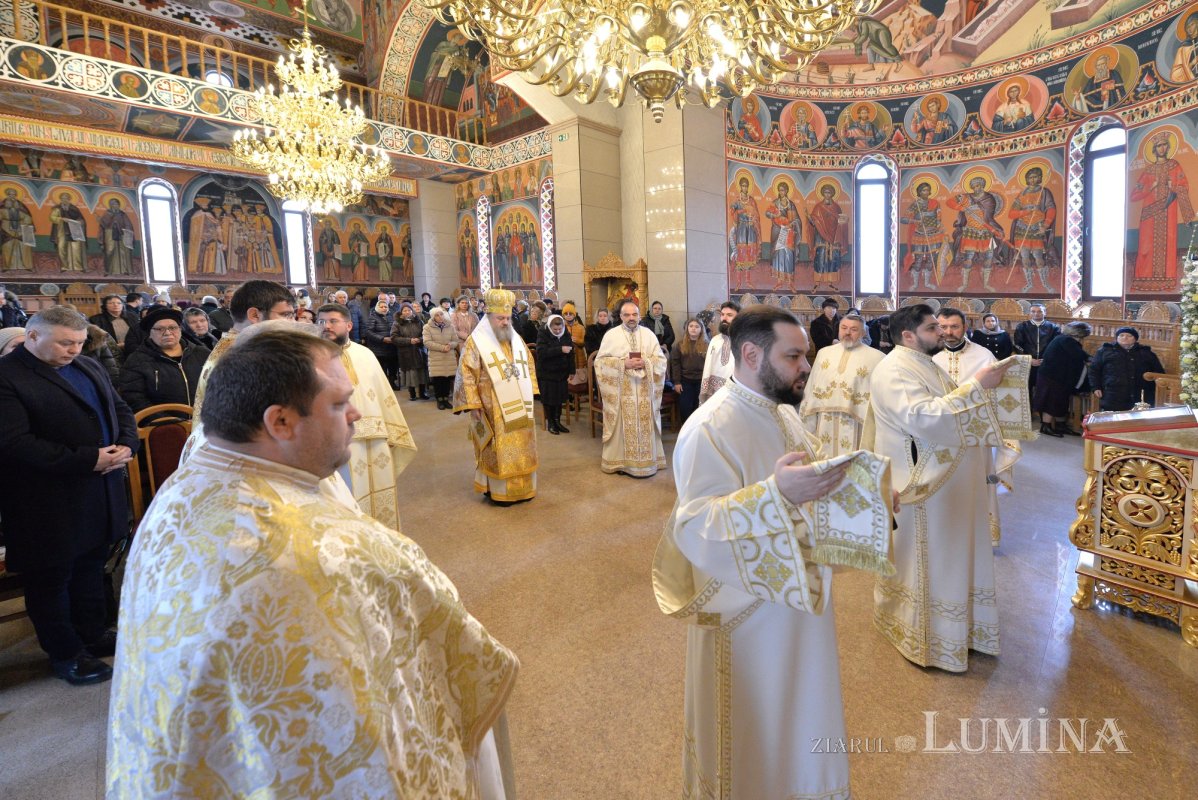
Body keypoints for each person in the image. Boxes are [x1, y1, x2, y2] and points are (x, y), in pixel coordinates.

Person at [107, 327, 518, 798]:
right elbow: (447, 674)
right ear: (280, 422)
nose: (359, 413)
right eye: (341, 404)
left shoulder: (182, 488)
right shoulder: (327, 552)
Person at [653, 305, 894, 800]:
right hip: (744, 617)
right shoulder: (709, 428)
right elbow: (694, 525)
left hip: (799, 604)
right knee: (752, 729)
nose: (806, 366)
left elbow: (812, 483)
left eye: (804, 355)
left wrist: (864, 490)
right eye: (793, 356)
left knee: (801, 708)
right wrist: (775, 495)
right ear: (750, 353)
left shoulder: (784, 411)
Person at [868, 304, 1016, 672]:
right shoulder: (893, 369)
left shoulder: (922, 362)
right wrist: (977, 386)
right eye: (933, 328)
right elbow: (923, 418)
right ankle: (927, 635)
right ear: (908, 335)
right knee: (933, 559)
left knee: (952, 554)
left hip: (948, 481)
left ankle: (961, 627)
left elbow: (946, 407)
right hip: (923, 484)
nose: (943, 333)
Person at [0, 306, 137, 685]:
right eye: (65, 342)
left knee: (91, 567)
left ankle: (91, 635)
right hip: (44, 502)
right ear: (32, 337)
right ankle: (64, 652)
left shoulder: (87, 367)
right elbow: (14, 443)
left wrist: (126, 445)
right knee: (52, 578)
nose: (74, 350)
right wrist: (88, 459)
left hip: (97, 492)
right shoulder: (8, 378)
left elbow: (120, 409)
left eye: (78, 342)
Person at [315, 304, 417, 529]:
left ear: (349, 325)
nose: (326, 327)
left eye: (333, 321)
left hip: (375, 439)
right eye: (321, 322)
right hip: (338, 443)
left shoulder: (366, 354)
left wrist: (393, 432)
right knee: (346, 497)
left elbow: (384, 395)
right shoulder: (310, 357)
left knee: (379, 492)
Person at [182, 280, 297, 461]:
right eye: (287, 315)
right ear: (254, 315)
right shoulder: (244, 356)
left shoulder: (236, 347)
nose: (293, 322)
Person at [933, 308, 1015, 547]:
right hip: (938, 432)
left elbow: (998, 395)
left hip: (975, 433)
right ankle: (942, 530)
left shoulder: (983, 355)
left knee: (976, 482)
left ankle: (979, 534)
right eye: (943, 327)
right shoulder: (929, 356)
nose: (948, 332)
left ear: (965, 327)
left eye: (954, 327)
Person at [454, 287, 539, 504]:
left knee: (522, 444)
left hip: (519, 401)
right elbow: (466, 373)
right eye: (500, 318)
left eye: (508, 318)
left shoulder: (516, 338)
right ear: (489, 316)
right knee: (496, 446)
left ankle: (523, 487)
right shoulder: (477, 341)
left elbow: (528, 363)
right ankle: (497, 490)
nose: (505, 322)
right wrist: (473, 404)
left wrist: (532, 390)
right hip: (491, 404)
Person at [595, 298, 667, 477]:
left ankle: (648, 462)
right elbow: (600, 362)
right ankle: (621, 463)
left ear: (640, 315)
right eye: (626, 315)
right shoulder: (611, 335)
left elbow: (661, 361)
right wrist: (623, 364)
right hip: (622, 392)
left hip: (644, 390)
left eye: (634, 314)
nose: (631, 318)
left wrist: (646, 362)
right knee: (621, 425)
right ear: (620, 316)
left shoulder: (649, 334)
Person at [799, 314, 884, 456]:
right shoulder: (823, 353)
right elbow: (812, 386)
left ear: (863, 333)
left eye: (854, 329)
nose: (847, 332)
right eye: (844, 328)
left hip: (857, 421)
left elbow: (880, 395)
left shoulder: (877, 357)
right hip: (825, 418)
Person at [118, 307, 210, 412]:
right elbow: (134, 398)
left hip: (205, 421)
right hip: (162, 425)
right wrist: (165, 423)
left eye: (173, 327)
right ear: (150, 333)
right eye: (160, 329)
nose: (167, 333)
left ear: (180, 329)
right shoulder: (137, 360)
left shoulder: (202, 353)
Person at [1089, 326, 1165, 411]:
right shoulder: (1105, 351)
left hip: (1141, 396)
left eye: (1129, 336)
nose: (1125, 338)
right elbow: (1094, 370)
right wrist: (1096, 387)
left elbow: (1159, 372)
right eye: (1121, 335)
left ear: (1135, 339)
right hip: (1113, 394)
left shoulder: (1146, 353)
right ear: (1117, 338)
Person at [1035, 321, 1091, 436]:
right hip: (1051, 376)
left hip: (1058, 376)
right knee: (1051, 402)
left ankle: (1061, 426)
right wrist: (1092, 359)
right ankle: (1046, 427)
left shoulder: (1064, 339)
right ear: (1079, 334)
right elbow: (1079, 355)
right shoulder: (1066, 340)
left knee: (1061, 401)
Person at [536, 314, 574, 434]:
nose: (558, 332)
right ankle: (551, 423)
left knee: (559, 398)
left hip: (561, 372)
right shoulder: (543, 333)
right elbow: (541, 353)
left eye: (560, 329)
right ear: (550, 327)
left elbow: (571, 354)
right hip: (547, 373)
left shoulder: (565, 333)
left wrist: (572, 371)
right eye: (555, 330)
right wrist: (560, 349)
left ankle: (558, 421)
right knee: (550, 399)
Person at [1013, 303, 1060, 400]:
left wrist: (1046, 360)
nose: (1036, 314)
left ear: (1044, 313)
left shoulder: (1054, 327)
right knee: (1026, 390)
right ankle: (1028, 413)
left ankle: (1042, 414)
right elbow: (1017, 345)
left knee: (1045, 390)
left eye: (1039, 311)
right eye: (1033, 311)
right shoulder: (1022, 327)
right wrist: (1030, 359)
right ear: (1029, 313)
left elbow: (1056, 347)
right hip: (1027, 364)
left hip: (1046, 364)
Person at [699, 301, 740, 404]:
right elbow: (708, 367)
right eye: (722, 314)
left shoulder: (745, 341)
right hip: (714, 394)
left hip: (736, 394)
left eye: (729, 315)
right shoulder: (715, 340)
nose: (724, 318)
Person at [669, 318, 708, 425]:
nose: (693, 329)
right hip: (685, 381)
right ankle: (686, 430)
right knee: (685, 408)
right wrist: (677, 382)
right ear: (687, 328)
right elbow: (675, 364)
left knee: (699, 407)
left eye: (697, 326)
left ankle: (697, 431)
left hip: (701, 381)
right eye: (691, 326)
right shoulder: (680, 345)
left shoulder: (707, 345)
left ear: (701, 329)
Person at [391, 303, 428, 400]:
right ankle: (412, 393)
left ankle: (422, 392)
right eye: (405, 310)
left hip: (419, 350)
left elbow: (426, 334)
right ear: (401, 312)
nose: (407, 312)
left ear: (412, 311)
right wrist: (409, 341)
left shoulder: (418, 320)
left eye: (409, 310)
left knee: (421, 372)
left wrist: (419, 339)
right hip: (406, 351)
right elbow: (394, 338)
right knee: (409, 373)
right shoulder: (397, 323)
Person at [424, 307, 459, 409]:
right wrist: (442, 348)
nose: (440, 317)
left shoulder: (450, 326)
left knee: (447, 379)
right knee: (438, 380)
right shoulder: (427, 327)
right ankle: (439, 400)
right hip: (436, 357)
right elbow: (427, 342)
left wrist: (450, 345)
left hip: (449, 356)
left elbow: (455, 340)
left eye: (441, 314)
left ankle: (446, 399)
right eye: (437, 315)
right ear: (433, 317)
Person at [88, 294, 140, 361]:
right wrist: (116, 346)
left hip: (133, 350)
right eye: (111, 303)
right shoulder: (96, 319)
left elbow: (139, 333)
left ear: (122, 305)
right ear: (105, 306)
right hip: (110, 353)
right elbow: (96, 340)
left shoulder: (132, 316)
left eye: (119, 303)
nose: (116, 305)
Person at [363, 295, 397, 386]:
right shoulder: (373, 317)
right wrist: (382, 339)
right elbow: (369, 332)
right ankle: (383, 385)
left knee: (392, 366)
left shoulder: (392, 316)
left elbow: (396, 329)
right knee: (382, 368)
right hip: (378, 347)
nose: (384, 308)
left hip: (391, 347)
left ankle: (392, 383)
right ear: (377, 307)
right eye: (381, 307)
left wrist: (394, 338)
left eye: (385, 306)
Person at [561, 301, 587, 380]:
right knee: (567, 378)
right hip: (566, 356)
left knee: (580, 378)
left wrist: (577, 340)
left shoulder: (580, 327)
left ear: (574, 315)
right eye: (566, 314)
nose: (568, 316)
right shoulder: (561, 327)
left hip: (579, 355)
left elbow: (584, 342)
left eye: (570, 313)